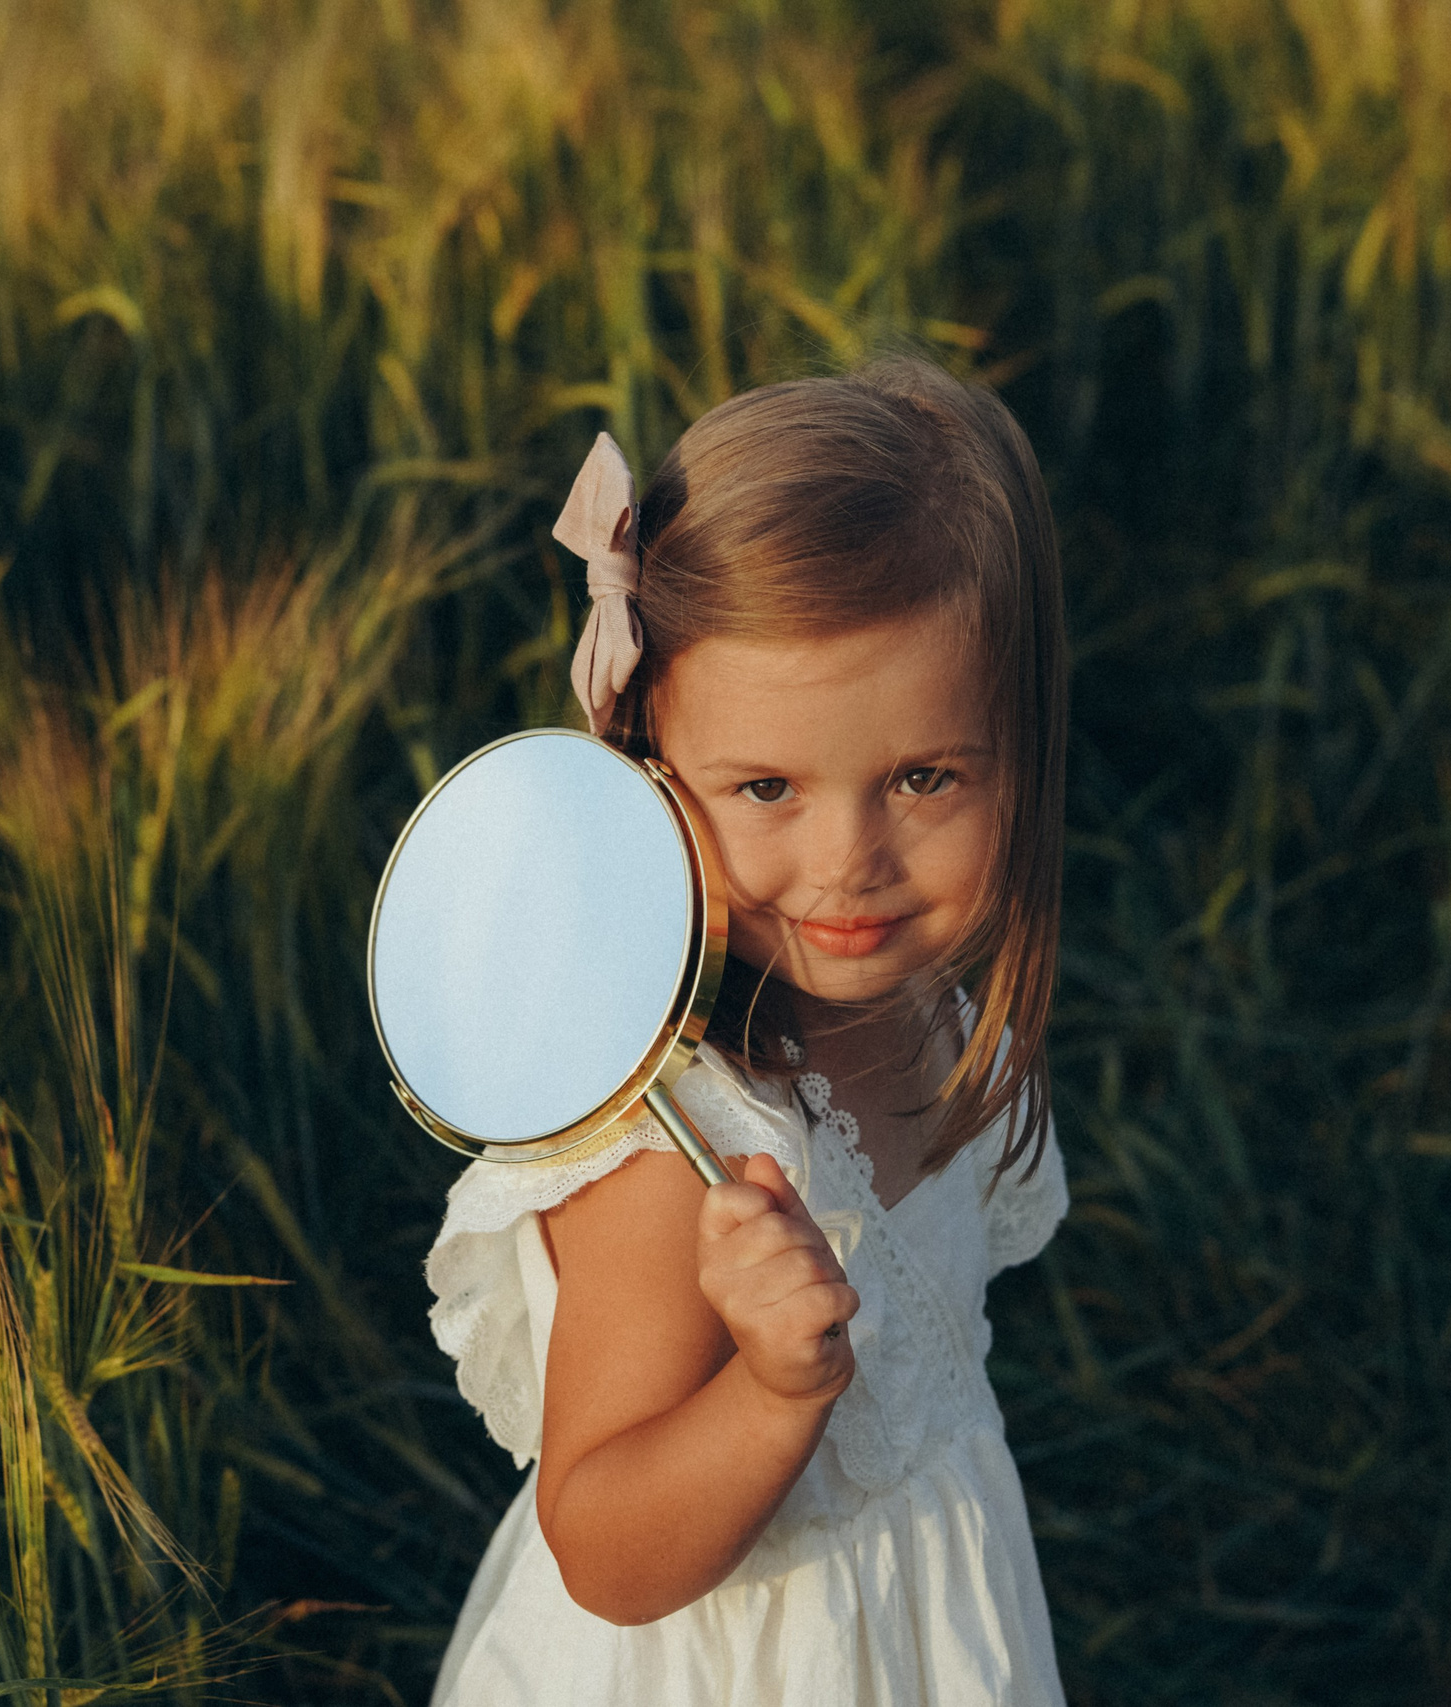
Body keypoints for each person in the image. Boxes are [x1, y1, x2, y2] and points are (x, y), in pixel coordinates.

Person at [425, 357, 1071, 1705]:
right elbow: (605, 1545)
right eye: (766, 786)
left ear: (1020, 751)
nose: (849, 861)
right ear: (647, 772)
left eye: (922, 777)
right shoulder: (674, 1149)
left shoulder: (931, 1017)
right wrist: (773, 1397)